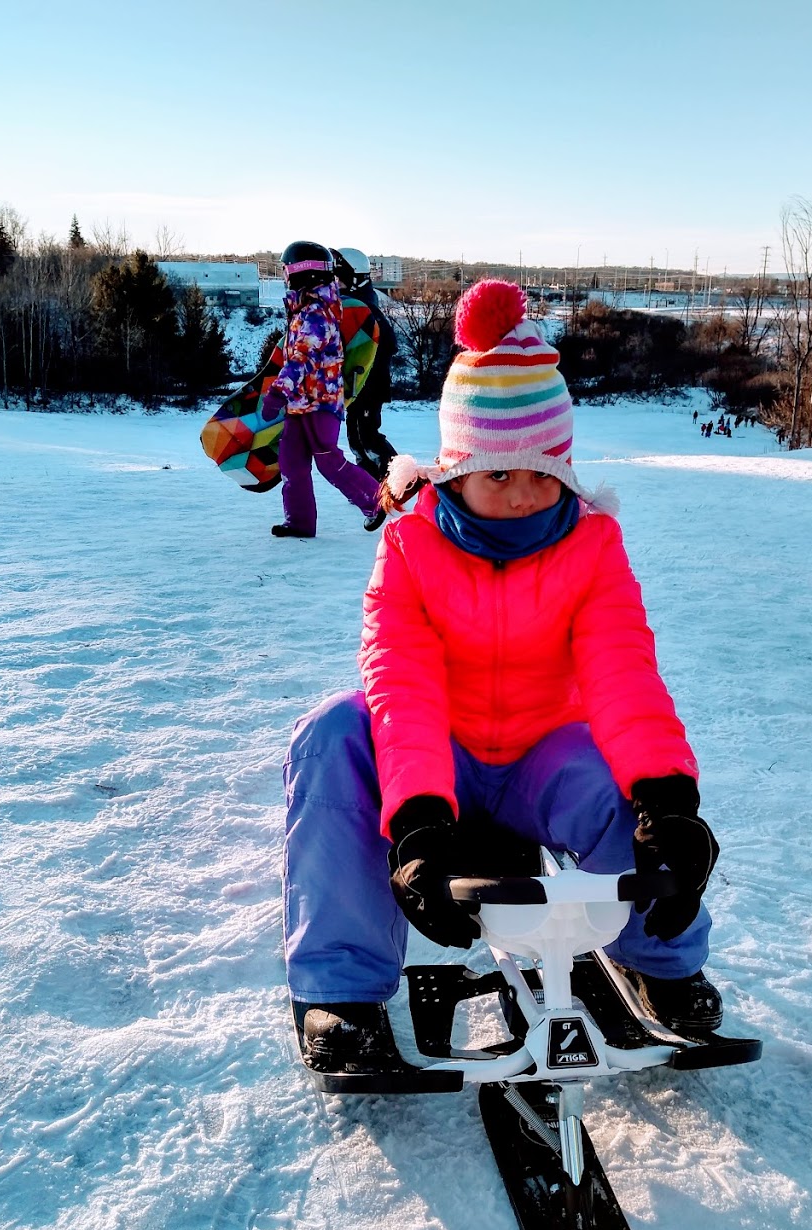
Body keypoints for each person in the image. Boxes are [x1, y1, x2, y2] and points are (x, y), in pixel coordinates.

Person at [283, 280, 723, 1075]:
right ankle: (340, 988)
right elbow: (402, 682)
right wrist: (417, 820)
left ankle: (661, 959)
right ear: (457, 470)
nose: (525, 497)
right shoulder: (412, 547)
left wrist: (669, 801)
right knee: (333, 735)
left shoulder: (590, 547)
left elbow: (623, 671)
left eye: (543, 474)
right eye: (501, 475)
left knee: (617, 788)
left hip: (538, 755)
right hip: (438, 753)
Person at [262, 241, 383, 538]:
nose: (283, 276)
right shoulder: (302, 309)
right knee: (291, 463)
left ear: (301, 272)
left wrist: (278, 392)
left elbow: (302, 357)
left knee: (328, 460)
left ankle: (375, 501)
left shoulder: (317, 313)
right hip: (300, 404)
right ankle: (299, 522)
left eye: (286, 270)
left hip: (321, 403)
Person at [333, 247, 400, 481]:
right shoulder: (349, 304)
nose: (335, 284)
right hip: (355, 385)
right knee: (355, 438)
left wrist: (367, 370)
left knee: (369, 437)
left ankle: (400, 480)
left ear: (354, 279)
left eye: (339, 279)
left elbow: (389, 342)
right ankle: (369, 483)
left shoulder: (363, 307)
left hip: (369, 385)